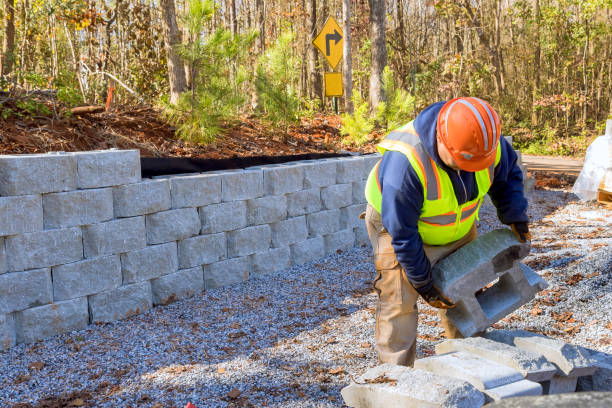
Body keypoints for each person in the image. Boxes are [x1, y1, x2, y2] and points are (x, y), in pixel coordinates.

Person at [363, 97, 530, 367]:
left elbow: (507, 174)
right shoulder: (405, 164)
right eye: (463, 163)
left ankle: (469, 363)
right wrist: (424, 284)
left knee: (465, 288)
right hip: (396, 227)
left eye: (477, 164)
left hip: (457, 225)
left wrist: (516, 216)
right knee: (400, 301)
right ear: (441, 140)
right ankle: (396, 379)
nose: (469, 171)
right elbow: (402, 235)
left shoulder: (485, 140)